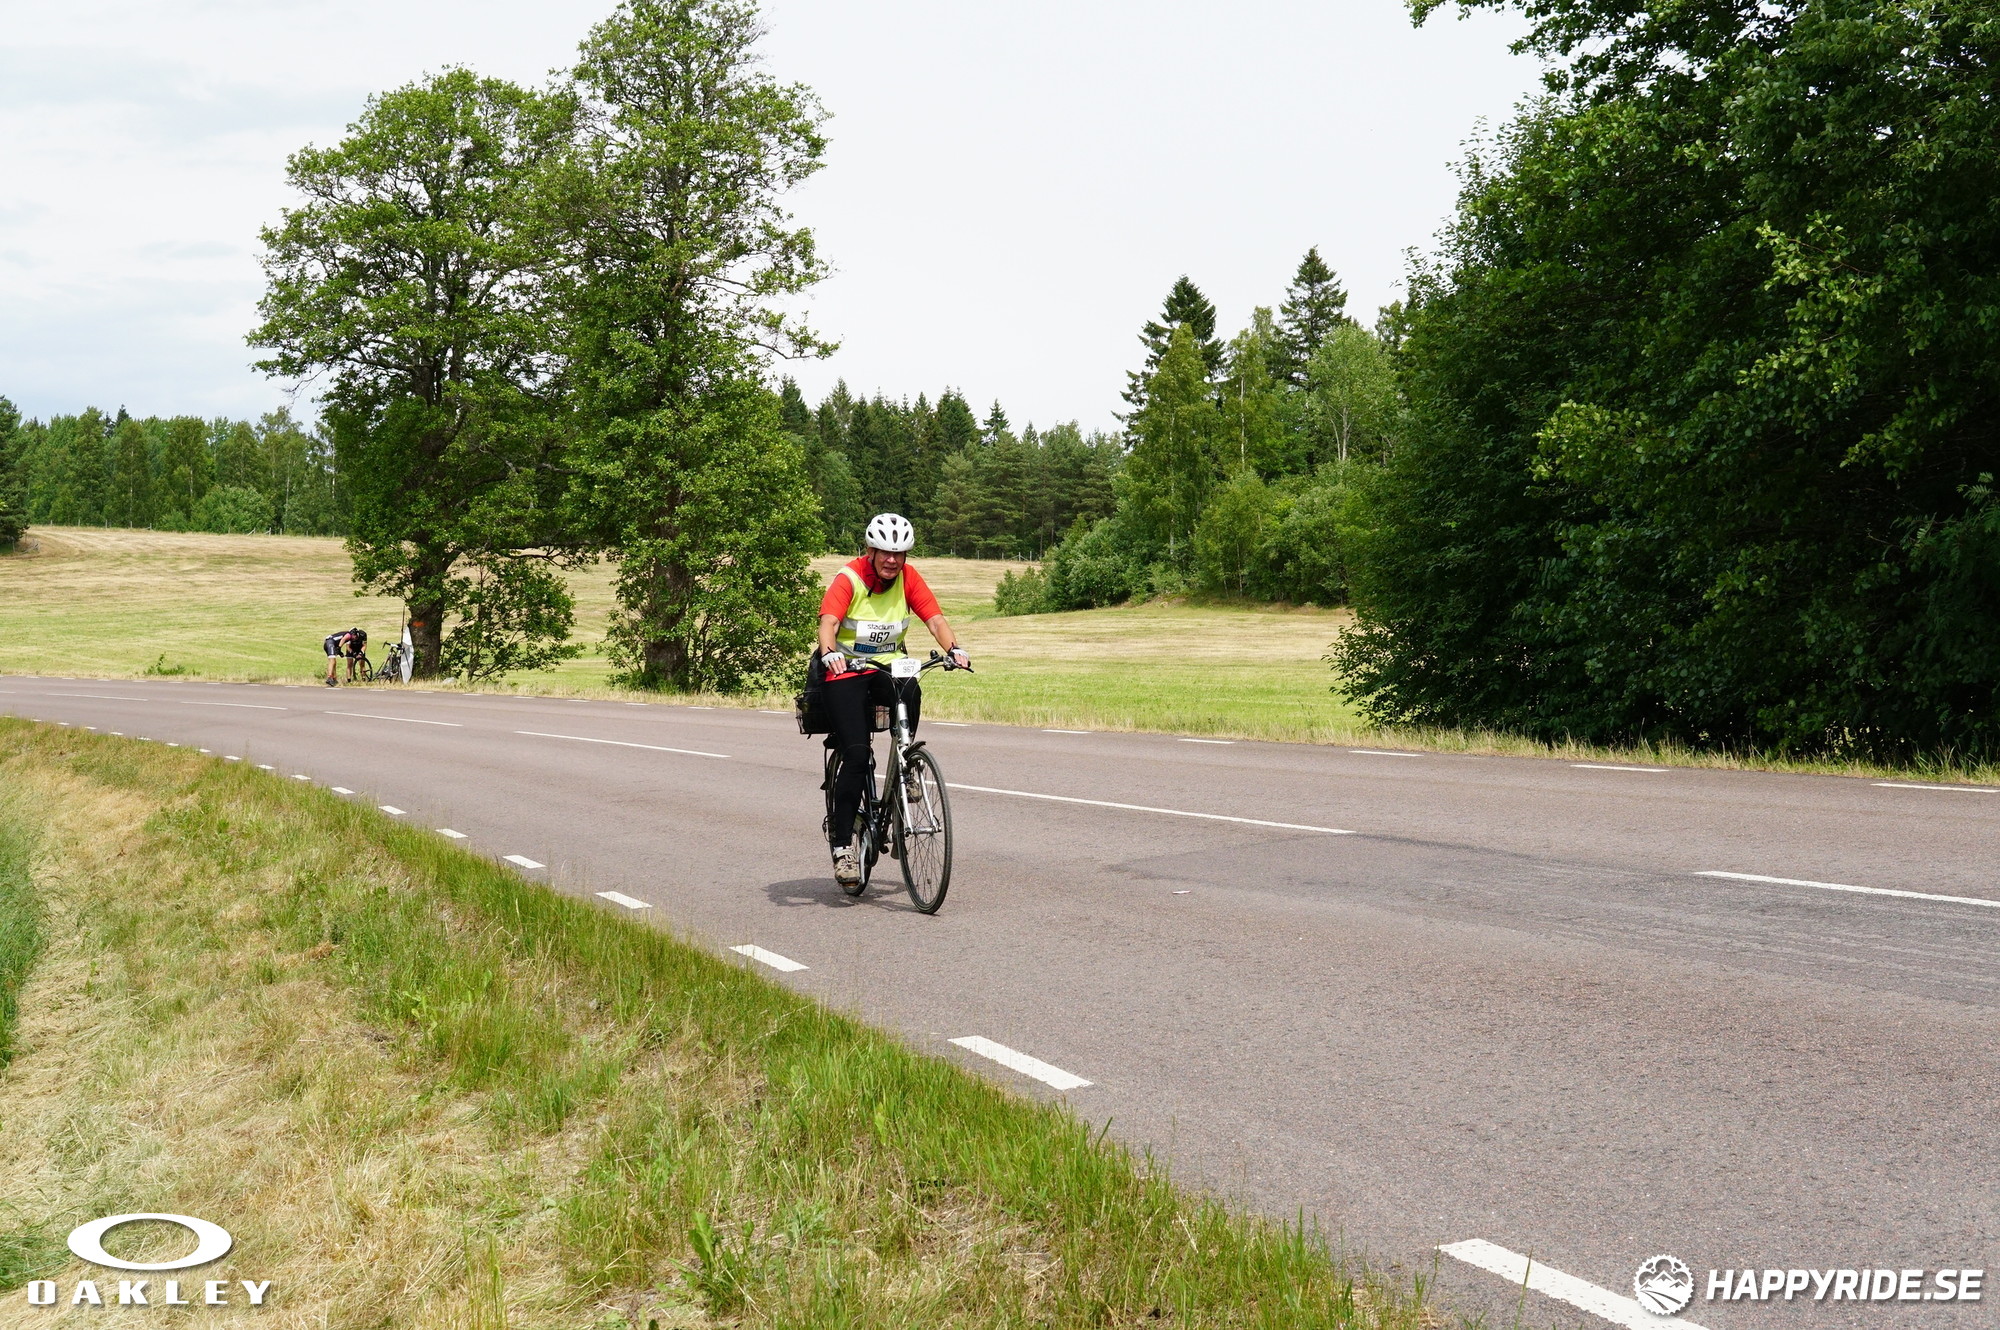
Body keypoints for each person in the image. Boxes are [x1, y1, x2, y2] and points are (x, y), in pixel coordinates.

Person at [817, 512, 970, 885]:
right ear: (870, 551)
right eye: (885, 552)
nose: (891, 560)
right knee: (856, 756)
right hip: (846, 670)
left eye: (899, 554)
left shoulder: (908, 578)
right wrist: (829, 652)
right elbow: (829, 622)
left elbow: (934, 619)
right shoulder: (849, 578)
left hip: (887, 667)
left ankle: (905, 763)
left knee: (912, 685)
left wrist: (954, 648)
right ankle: (843, 847)